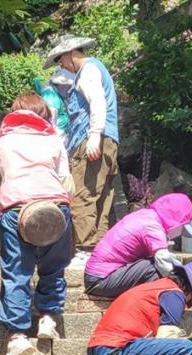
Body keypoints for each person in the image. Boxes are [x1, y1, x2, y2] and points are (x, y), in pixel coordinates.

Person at [0, 92, 74, 355]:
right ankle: (48, 318)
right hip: (56, 208)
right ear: (44, 114)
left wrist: (6, 197)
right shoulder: (55, 140)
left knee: (16, 272)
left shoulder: (3, 142)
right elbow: (67, 183)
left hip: (17, 210)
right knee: (54, 266)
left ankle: (17, 337)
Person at [44, 35, 118, 259]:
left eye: (60, 59)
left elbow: (97, 102)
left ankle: (86, 249)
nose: (61, 64)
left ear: (71, 53)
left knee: (83, 194)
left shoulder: (88, 72)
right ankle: (100, 250)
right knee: (102, 197)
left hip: (90, 139)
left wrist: (94, 135)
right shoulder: (97, 68)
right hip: (109, 140)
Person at [84, 193, 192, 298]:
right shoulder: (153, 227)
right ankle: (159, 303)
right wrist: (182, 285)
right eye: (182, 228)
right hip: (100, 280)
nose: (179, 234)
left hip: (96, 277)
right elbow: (164, 264)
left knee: (158, 264)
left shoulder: (145, 216)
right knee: (154, 267)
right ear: (174, 220)